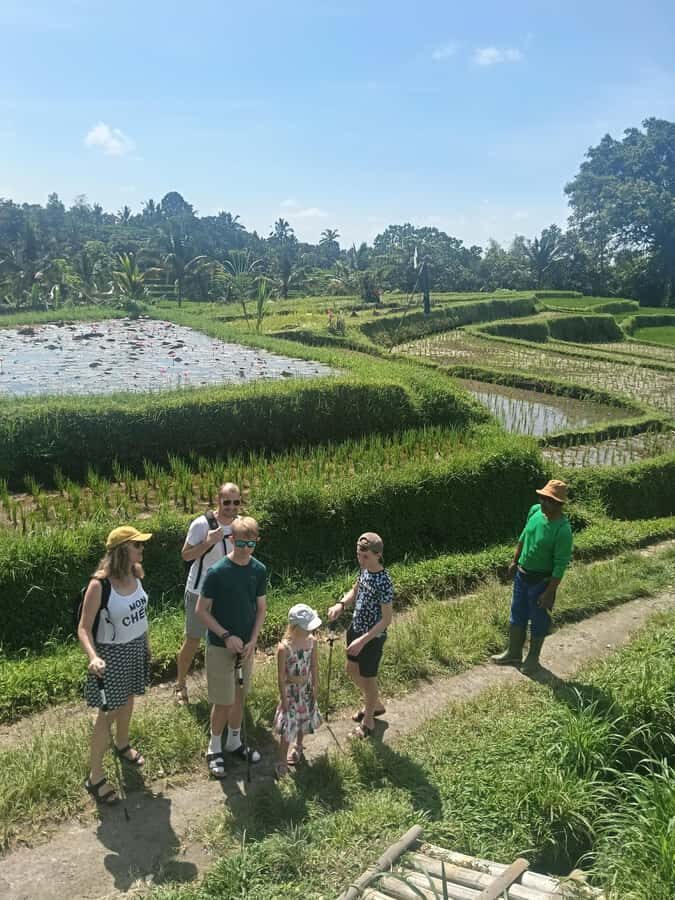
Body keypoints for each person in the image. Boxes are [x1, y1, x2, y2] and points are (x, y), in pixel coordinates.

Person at [78, 525, 153, 805]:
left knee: (129, 699)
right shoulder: (100, 585)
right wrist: (93, 657)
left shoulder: (135, 574)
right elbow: (84, 628)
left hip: (136, 647)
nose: (142, 549)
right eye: (137, 545)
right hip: (113, 655)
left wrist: (145, 643)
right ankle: (95, 777)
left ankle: (122, 744)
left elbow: (140, 613)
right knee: (108, 713)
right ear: (122, 550)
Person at [196, 516, 267, 778]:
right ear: (231, 539)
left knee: (239, 696)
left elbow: (261, 608)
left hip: (246, 647)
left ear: (257, 541)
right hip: (220, 646)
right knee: (223, 701)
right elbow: (201, 610)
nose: (246, 549)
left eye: (251, 544)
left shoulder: (259, 570)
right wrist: (226, 635)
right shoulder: (217, 573)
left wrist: (253, 639)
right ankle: (214, 747)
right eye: (241, 544)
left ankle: (234, 742)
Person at [492, 479, 573, 674]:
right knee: (517, 613)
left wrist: (549, 592)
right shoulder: (535, 511)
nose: (543, 502)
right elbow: (524, 537)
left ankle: (533, 659)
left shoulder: (563, 530)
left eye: (549, 500)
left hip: (542, 582)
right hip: (522, 576)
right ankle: (513, 652)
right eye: (542, 498)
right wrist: (515, 561)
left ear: (559, 504)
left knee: (539, 619)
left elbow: (560, 565)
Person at [174, 482, 243, 705]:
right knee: (193, 640)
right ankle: (180, 685)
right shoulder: (201, 524)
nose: (231, 507)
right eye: (227, 502)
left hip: (227, 595)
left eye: (236, 502)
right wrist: (208, 542)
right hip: (199, 592)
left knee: (228, 639)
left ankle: (229, 684)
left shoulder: (240, 525)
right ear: (218, 501)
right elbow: (186, 555)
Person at [327, 532, 393, 739]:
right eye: (358, 555)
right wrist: (341, 604)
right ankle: (375, 704)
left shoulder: (384, 581)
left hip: (371, 638)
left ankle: (369, 722)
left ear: (378, 555)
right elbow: (355, 591)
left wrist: (363, 640)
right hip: (355, 628)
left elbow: (386, 620)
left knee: (368, 678)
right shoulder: (364, 570)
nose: (361, 560)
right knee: (351, 670)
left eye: (365, 557)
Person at [273, 603, 323, 778]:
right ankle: (282, 760)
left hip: (306, 690)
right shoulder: (284, 648)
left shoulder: (312, 642)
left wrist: (315, 686)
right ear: (295, 627)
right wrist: (283, 698)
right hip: (291, 693)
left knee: (303, 720)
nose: (310, 630)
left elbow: (314, 666)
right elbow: (281, 676)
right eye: (306, 627)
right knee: (288, 727)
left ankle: (299, 746)